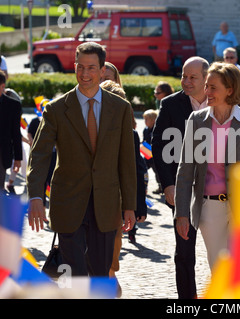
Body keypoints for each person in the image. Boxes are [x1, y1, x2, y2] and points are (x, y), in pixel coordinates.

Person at [26, 42, 137, 278]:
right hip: (68, 203)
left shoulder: (120, 108)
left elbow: (127, 161)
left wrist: (130, 204)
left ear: (102, 68)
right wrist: (36, 196)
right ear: (74, 66)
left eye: (91, 68)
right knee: (74, 274)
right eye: (80, 67)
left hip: (106, 205)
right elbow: (39, 155)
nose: (85, 74)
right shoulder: (55, 109)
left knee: (100, 272)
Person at [174, 62, 240, 273]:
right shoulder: (197, 120)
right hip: (209, 209)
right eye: (206, 86)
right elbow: (185, 169)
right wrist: (182, 213)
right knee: (219, 269)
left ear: (230, 90)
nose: (207, 92)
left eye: (213, 87)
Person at [152, 56, 209, 299]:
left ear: (207, 79)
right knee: (184, 251)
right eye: (183, 76)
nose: (185, 81)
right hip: (182, 191)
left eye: (192, 77)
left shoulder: (222, 101)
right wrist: (167, 184)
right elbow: (159, 146)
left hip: (217, 190)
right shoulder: (170, 105)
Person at [99, 79, 147, 296]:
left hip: (114, 201)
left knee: (111, 254)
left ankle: (110, 280)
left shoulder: (131, 134)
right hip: (87, 199)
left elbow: (135, 170)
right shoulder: (86, 130)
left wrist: (137, 206)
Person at [0, 70, 22, 191]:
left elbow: (16, 133)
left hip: (1, 153)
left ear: (2, 86)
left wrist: (18, 159)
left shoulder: (13, 105)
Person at [142, 109, 162, 194]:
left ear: (153, 120)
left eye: (147, 119)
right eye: (144, 119)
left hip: (155, 155)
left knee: (157, 172)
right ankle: (143, 186)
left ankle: (161, 186)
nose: (145, 121)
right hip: (147, 154)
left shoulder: (157, 129)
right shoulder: (145, 130)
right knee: (143, 169)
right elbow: (144, 140)